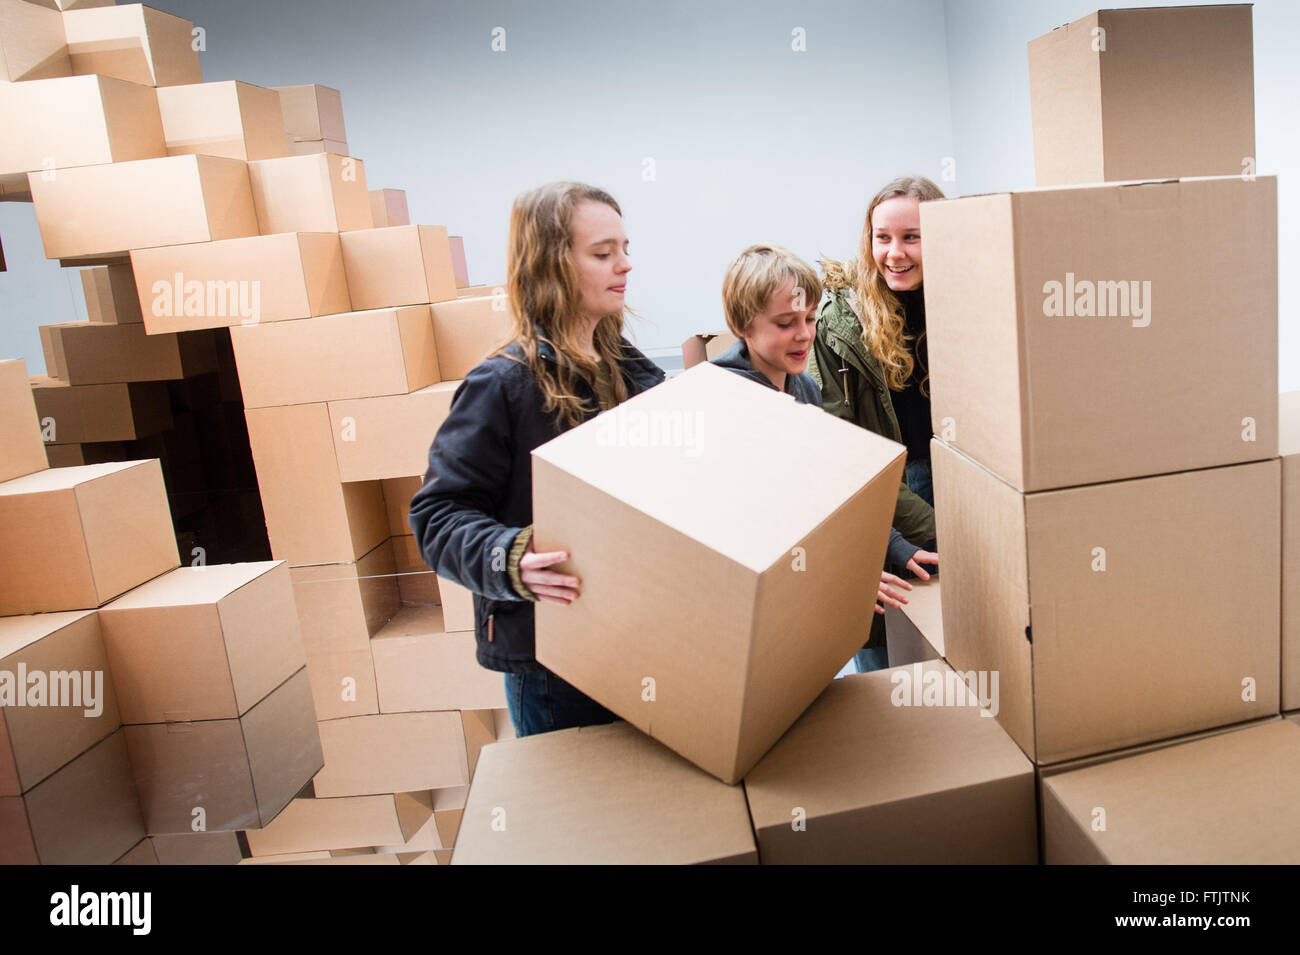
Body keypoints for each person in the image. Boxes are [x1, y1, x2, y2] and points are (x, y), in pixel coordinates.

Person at [409, 181, 665, 737]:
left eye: (624, 248)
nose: (624, 265)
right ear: (552, 265)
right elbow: (436, 517)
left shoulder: (634, 375)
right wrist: (511, 556)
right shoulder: (501, 384)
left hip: (636, 635)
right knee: (579, 819)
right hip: (555, 663)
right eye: (602, 253)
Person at [710, 243, 915, 620]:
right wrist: (839, 573)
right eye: (786, 323)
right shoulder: (727, 398)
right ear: (742, 326)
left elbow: (825, 487)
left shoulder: (802, 386)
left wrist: (895, 545)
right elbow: (760, 521)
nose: (805, 334)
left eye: (809, 318)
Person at [808, 176, 945, 672]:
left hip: (959, 479)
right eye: (882, 237)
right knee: (884, 644)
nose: (894, 253)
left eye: (912, 237)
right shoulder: (840, 320)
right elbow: (836, 442)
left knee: (959, 638)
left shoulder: (967, 303)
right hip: (879, 488)